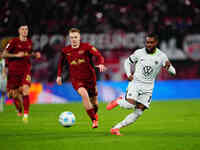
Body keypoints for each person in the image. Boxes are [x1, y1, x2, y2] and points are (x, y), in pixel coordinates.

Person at [106, 33, 176, 136]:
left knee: (138, 113)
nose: (148, 44)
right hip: (136, 83)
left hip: (148, 88)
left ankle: (116, 128)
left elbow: (173, 72)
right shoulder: (139, 53)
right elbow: (127, 62)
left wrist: (169, 68)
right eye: (147, 42)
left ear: (156, 43)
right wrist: (129, 74)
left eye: (151, 42)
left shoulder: (162, 56)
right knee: (129, 105)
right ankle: (119, 100)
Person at [57, 28, 106, 128]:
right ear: (69, 38)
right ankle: (94, 120)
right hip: (76, 80)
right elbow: (60, 63)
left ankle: (94, 114)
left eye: (75, 37)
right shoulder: (66, 50)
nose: (74, 39)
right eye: (71, 38)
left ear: (79, 37)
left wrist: (101, 63)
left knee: (95, 103)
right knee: (84, 95)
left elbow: (99, 55)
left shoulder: (87, 47)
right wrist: (59, 75)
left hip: (90, 79)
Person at [2, 24, 40, 122]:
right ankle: (19, 109)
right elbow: (4, 54)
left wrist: (35, 54)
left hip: (25, 71)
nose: (25, 31)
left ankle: (26, 115)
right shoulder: (13, 41)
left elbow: (29, 52)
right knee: (12, 95)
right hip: (13, 72)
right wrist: (16, 55)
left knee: (26, 90)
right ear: (19, 31)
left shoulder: (29, 42)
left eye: (26, 29)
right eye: (22, 29)